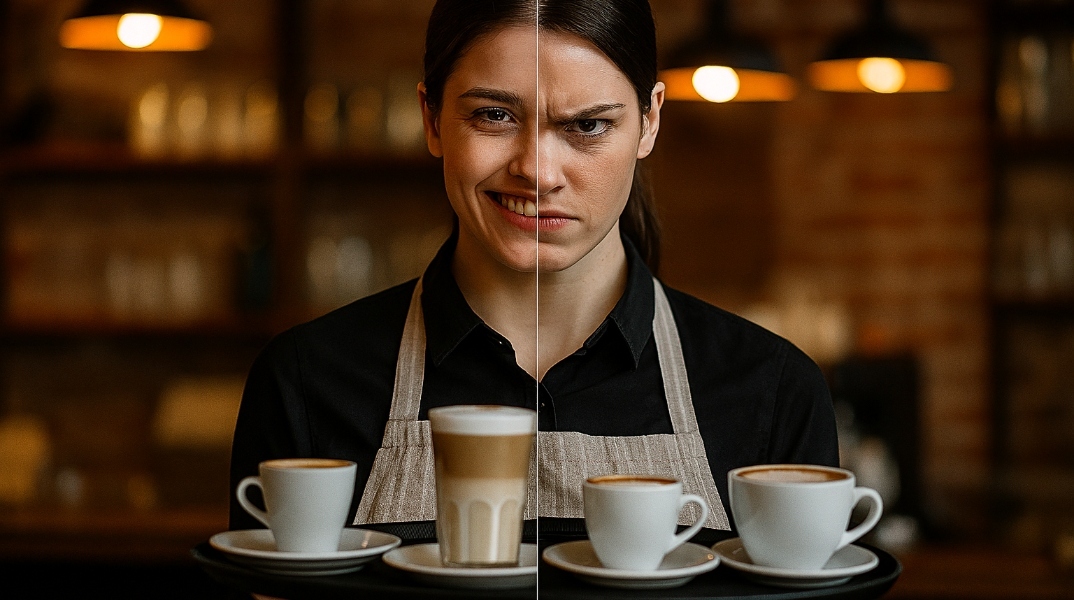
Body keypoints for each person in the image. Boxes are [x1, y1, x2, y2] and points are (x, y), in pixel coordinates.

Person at [229, 0, 837, 536]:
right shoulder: (307, 383)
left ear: (649, 120)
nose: (537, 171)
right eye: (494, 116)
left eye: (588, 126)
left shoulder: (773, 392)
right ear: (432, 118)